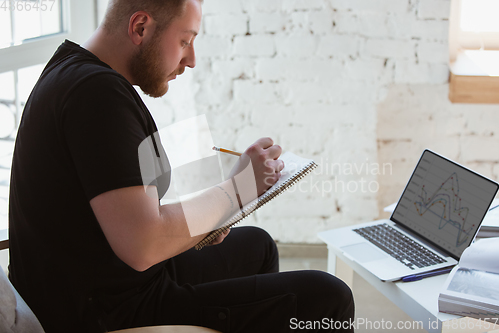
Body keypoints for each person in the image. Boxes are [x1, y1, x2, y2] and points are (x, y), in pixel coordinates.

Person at [8, 0, 355, 332]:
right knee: (329, 297)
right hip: (103, 313)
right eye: (185, 41)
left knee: (258, 247)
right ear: (140, 26)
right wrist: (238, 190)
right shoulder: (97, 96)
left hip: (107, 281)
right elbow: (142, 244)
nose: (191, 59)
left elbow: (127, 216)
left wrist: (215, 213)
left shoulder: (74, 70)